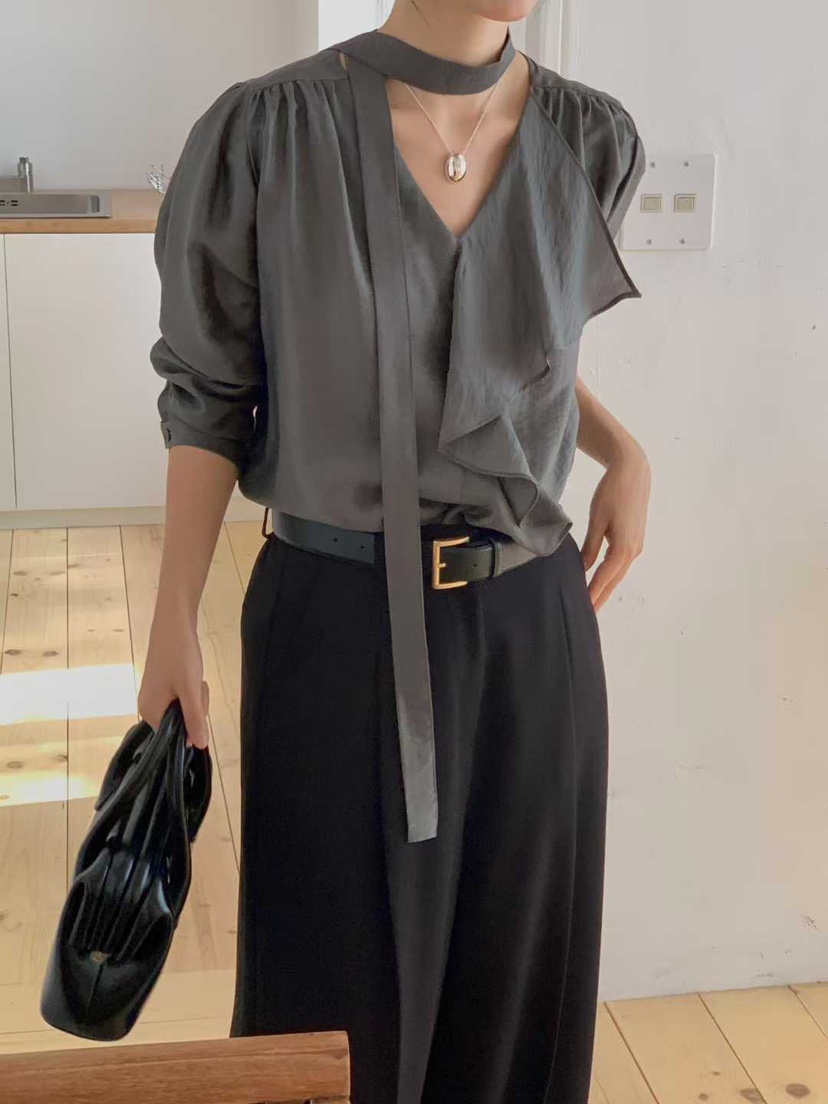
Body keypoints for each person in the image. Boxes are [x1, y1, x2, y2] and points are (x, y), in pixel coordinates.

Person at [138, 2, 651, 1102]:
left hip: (533, 625)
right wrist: (172, 615)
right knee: (330, 1012)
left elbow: (498, 357)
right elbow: (212, 394)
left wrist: (623, 449)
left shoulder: (587, 138)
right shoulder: (270, 133)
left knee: (521, 994)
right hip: (339, 621)